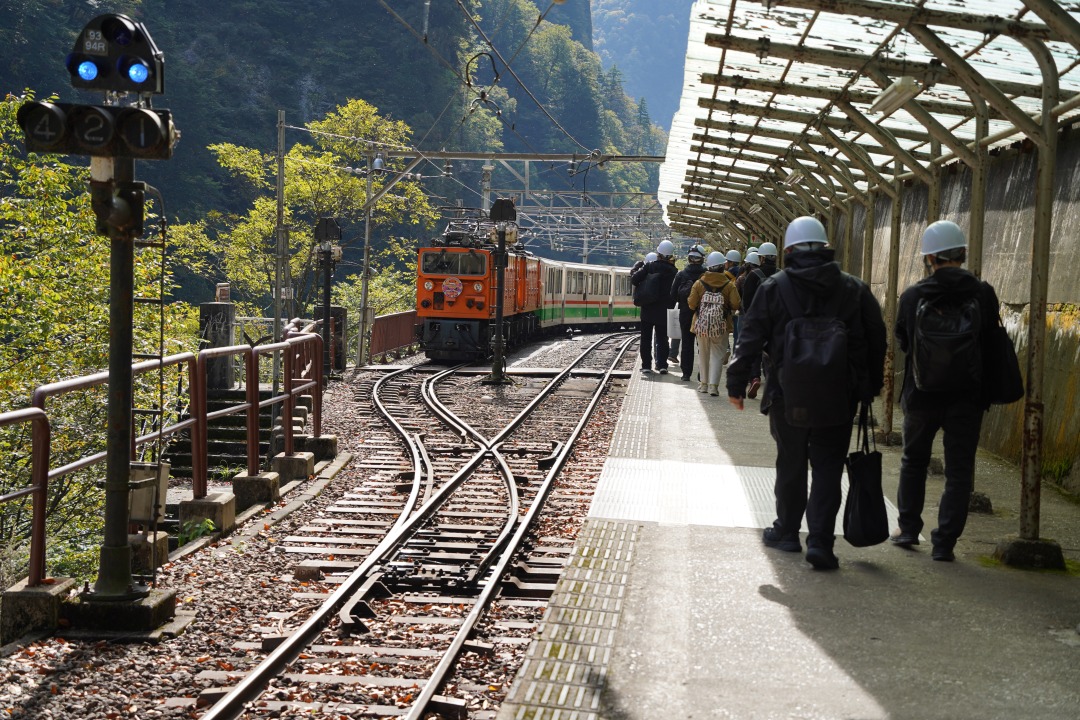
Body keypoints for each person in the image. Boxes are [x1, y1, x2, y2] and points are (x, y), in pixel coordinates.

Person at [727, 217, 886, 570]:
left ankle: (786, 532)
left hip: (787, 393)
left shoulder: (774, 287)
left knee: (791, 462)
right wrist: (868, 387)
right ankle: (821, 543)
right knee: (828, 467)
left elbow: (750, 337)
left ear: (788, 250)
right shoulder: (854, 288)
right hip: (839, 395)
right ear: (826, 247)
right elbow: (877, 338)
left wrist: (736, 383)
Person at [891, 220, 1003, 562]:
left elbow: (903, 340)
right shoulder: (982, 293)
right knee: (959, 470)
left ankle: (908, 529)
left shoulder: (913, 296)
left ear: (929, 258)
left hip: (921, 394)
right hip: (966, 397)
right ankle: (944, 543)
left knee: (914, 461)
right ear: (963, 253)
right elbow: (990, 339)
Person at [688, 251, 741, 395]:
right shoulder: (729, 285)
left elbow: (691, 304)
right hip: (721, 325)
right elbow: (736, 304)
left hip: (702, 324)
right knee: (717, 354)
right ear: (722, 266)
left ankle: (703, 385)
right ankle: (713, 386)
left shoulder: (699, 283)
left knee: (703, 354)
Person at [738, 241, 780, 399]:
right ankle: (771, 383)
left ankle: (755, 378)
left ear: (761, 258)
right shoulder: (781, 274)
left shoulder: (754, 275)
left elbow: (746, 300)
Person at [632, 240, 679, 374]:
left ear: (658, 253)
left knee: (646, 338)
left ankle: (646, 365)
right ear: (671, 256)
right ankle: (662, 365)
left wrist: (638, 270)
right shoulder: (674, 271)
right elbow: (675, 292)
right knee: (662, 338)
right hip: (664, 310)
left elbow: (634, 279)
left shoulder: (650, 266)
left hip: (648, 307)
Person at [670, 244, 707, 381]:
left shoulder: (681, 274)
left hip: (685, 313)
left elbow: (673, 295)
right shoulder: (706, 275)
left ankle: (686, 373)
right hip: (704, 313)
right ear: (702, 259)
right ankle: (702, 373)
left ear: (689, 258)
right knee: (703, 345)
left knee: (686, 343)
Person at [725, 250, 743, 345]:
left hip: (728, 307)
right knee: (737, 333)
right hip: (739, 307)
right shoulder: (743, 272)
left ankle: (727, 347)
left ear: (731, 262)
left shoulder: (726, 275)